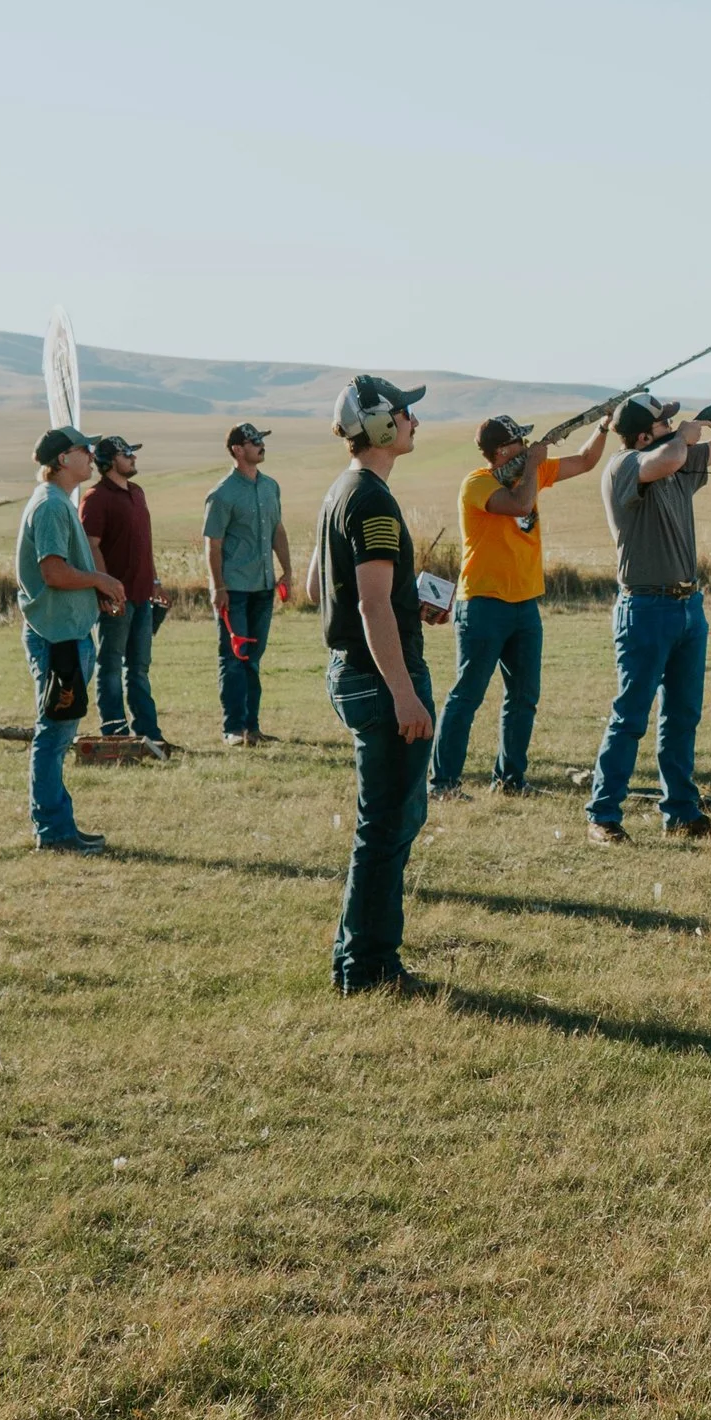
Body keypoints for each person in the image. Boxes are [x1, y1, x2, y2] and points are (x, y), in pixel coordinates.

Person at [585, 384, 711, 843]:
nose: (672, 425)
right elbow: (674, 455)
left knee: (682, 716)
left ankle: (680, 812)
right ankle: (602, 815)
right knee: (631, 718)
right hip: (646, 608)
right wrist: (687, 435)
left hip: (687, 606)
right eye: (662, 422)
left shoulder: (673, 459)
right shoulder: (627, 466)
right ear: (641, 437)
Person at [316, 375, 449, 994]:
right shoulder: (370, 498)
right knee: (387, 825)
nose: (414, 421)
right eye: (405, 412)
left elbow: (324, 589)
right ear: (378, 424)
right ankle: (368, 969)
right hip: (378, 679)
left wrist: (406, 600)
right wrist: (403, 690)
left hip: (353, 672)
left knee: (385, 820)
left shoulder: (340, 492)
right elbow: (367, 606)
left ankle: (358, 958)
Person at [430, 411, 611, 798]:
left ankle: (510, 780)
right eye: (519, 443)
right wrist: (532, 466)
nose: (528, 448)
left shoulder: (531, 472)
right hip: (483, 605)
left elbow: (586, 461)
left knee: (524, 697)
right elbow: (520, 506)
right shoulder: (477, 484)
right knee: (467, 696)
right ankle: (442, 783)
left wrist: (602, 426)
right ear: (500, 451)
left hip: (525, 603)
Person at [15, 425, 123, 853]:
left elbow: (63, 574)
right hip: (57, 638)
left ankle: (60, 827)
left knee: (57, 734)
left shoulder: (59, 501)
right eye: (84, 449)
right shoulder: (51, 506)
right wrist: (99, 577)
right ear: (63, 459)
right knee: (54, 735)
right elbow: (53, 573)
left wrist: (94, 595)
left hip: (66, 631)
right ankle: (54, 832)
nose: (91, 455)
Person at [202, 423, 293, 747]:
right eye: (254, 442)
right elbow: (212, 545)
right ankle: (233, 729)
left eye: (261, 441)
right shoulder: (222, 494)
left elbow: (278, 532)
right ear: (237, 449)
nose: (260, 446)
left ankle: (252, 728)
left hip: (264, 587)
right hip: (234, 590)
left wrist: (288, 572)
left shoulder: (271, 487)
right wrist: (218, 588)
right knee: (234, 657)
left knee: (253, 658)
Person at [83, 435, 168, 750]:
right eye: (126, 453)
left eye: (132, 452)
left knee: (140, 667)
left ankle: (149, 733)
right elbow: (91, 546)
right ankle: (115, 733)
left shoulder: (137, 493)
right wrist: (106, 587)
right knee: (110, 665)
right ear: (108, 461)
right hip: (114, 599)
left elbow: (144, 544)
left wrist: (155, 582)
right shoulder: (95, 498)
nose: (133, 457)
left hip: (142, 595)